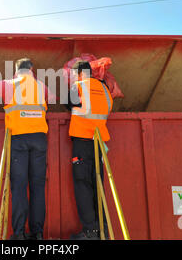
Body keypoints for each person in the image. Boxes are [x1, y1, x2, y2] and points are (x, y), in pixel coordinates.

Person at [0, 58, 52, 240]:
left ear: (16, 71)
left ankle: (19, 234)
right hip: (40, 138)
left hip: (19, 139)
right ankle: (38, 233)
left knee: (19, 186)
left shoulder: (10, 84)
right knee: (38, 187)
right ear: (31, 69)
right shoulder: (41, 86)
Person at [65, 60, 113, 240]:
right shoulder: (104, 88)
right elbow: (108, 108)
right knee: (98, 184)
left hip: (82, 141)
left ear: (78, 74)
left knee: (83, 184)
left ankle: (90, 232)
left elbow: (68, 104)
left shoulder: (76, 86)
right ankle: (103, 231)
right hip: (99, 141)